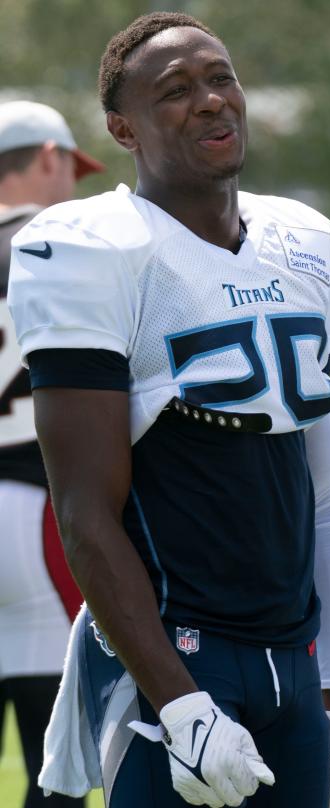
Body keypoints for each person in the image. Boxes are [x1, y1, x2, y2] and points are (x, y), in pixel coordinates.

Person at [7, 12, 330, 808]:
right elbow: (84, 512)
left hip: (293, 659)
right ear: (121, 129)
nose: (210, 100)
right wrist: (181, 704)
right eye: (174, 91)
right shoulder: (92, 248)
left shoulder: (306, 241)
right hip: (173, 658)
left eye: (219, 78)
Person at [0, 99, 104, 808]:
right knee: (59, 760)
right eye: (72, 165)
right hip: (38, 509)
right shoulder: (64, 241)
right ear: (47, 156)